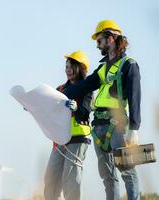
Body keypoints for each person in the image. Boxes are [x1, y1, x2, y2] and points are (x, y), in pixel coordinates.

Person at [64, 20, 141, 200]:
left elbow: (135, 98)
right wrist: (54, 96)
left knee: (127, 173)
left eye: (99, 41)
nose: (97, 45)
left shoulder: (129, 65)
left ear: (111, 39)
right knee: (107, 176)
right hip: (98, 126)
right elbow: (82, 87)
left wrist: (134, 129)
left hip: (118, 126)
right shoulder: (103, 68)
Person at [44, 50, 92, 200]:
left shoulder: (86, 88)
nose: (68, 70)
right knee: (51, 179)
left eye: (72, 66)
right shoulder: (60, 89)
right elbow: (49, 108)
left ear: (81, 68)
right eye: (66, 66)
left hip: (77, 138)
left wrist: (76, 108)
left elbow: (85, 111)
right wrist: (34, 105)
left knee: (70, 179)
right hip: (59, 140)